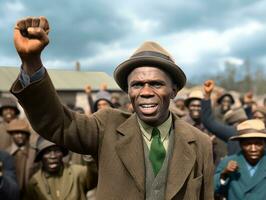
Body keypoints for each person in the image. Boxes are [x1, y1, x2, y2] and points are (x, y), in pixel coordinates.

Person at [11, 16, 214, 199]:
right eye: (136, 85)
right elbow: (57, 123)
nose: (145, 92)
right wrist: (32, 62)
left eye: (156, 84)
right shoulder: (107, 126)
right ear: (128, 91)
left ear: (174, 90)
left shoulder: (200, 143)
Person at [25, 137, 96, 200]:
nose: (53, 156)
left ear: (62, 154)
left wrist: (89, 159)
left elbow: (94, 177)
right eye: (47, 152)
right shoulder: (34, 183)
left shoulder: (77, 172)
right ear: (41, 157)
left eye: (56, 151)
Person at [214, 119, 266, 199]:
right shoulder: (228, 162)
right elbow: (213, 189)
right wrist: (224, 174)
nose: (253, 149)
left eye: (258, 144)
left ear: (264, 143)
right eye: (248, 144)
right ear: (241, 144)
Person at [6, 118, 38, 197]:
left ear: (27, 135)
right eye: (16, 133)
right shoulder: (6, 153)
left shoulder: (34, 152)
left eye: (22, 133)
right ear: (11, 134)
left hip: (31, 195)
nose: (20, 136)